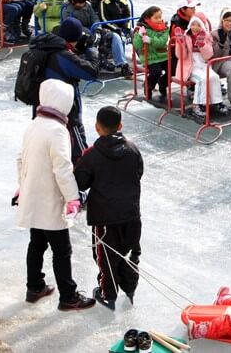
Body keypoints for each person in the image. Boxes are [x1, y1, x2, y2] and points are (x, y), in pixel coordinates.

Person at [15, 79, 95, 311]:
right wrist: (73, 198)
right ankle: (68, 296)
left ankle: (34, 286)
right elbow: (62, 168)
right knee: (62, 250)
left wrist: (23, 185)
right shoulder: (58, 130)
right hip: (49, 198)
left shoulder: (35, 124)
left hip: (33, 195)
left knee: (36, 243)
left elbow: (21, 158)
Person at [74, 105, 144, 310]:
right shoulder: (132, 149)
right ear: (120, 125)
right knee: (130, 252)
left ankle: (108, 294)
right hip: (131, 213)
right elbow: (139, 172)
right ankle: (130, 288)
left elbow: (80, 182)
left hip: (105, 218)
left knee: (105, 258)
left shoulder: (91, 155)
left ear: (97, 127)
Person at [28, 18, 99, 162]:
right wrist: (91, 50)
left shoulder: (44, 47)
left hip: (40, 106)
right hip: (65, 112)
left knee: (46, 151)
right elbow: (91, 72)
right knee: (77, 154)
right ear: (75, 38)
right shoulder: (63, 55)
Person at [177, 15, 227, 121]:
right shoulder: (186, 36)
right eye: (193, 25)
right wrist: (180, 44)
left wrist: (202, 45)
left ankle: (216, 101)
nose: (195, 27)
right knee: (202, 79)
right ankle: (197, 104)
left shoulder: (206, 37)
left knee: (214, 77)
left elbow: (209, 55)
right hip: (189, 66)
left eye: (198, 25)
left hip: (203, 64)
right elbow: (181, 56)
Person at [132, 6, 170, 103]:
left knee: (173, 70)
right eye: (156, 18)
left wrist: (150, 40)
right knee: (156, 72)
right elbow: (137, 45)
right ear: (148, 18)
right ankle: (148, 86)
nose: (159, 20)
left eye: (160, 17)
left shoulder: (164, 28)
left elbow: (162, 42)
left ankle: (163, 83)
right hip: (149, 58)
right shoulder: (141, 28)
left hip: (163, 55)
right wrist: (140, 36)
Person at [98, 0, 133, 77]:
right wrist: (117, 29)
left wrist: (126, 28)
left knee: (136, 33)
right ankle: (123, 65)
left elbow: (128, 15)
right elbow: (105, 19)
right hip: (109, 29)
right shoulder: (104, 2)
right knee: (116, 37)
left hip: (123, 27)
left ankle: (146, 59)